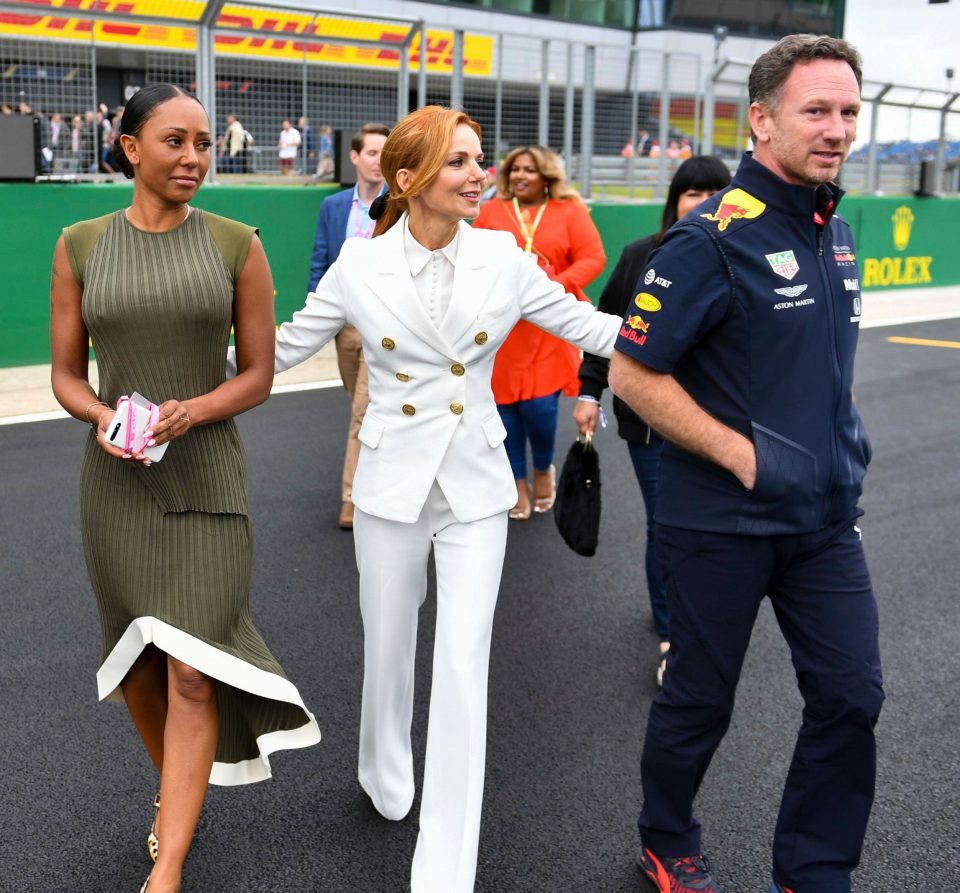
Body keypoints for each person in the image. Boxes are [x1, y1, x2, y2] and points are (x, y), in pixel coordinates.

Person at [237, 105, 620, 893]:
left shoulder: (504, 257)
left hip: (478, 483)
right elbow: (280, 348)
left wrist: (689, 326)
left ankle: (445, 862)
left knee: (462, 660)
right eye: (460, 162)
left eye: (480, 159)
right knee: (387, 643)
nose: (480, 174)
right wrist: (179, 379)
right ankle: (383, 769)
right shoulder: (358, 267)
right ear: (407, 179)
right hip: (391, 482)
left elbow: (590, 324)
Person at [607, 34, 883, 893]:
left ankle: (812, 869)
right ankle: (667, 833)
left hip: (826, 522)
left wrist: (842, 448)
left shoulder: (832, 228)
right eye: (816, 111)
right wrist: (743, 456)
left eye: (847, 110)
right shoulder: (709, 238)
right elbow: (631, 369)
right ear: (761, 120)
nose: (836, 129)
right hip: (720, 521)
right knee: (699, 700)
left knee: (852, 696)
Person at [49, 84, 321, 893]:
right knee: (137, 664)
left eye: (204, 143)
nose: (195, 158)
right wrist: (102, 415)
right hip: (115, 486)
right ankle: (180, 796)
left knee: (195, 668)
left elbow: (261, 376)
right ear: (130, 147)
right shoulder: (80, 243)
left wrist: (190, 412)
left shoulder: (239, 242)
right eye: (175, 141)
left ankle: (169, 861)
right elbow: (66, 374)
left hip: (207, 479)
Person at [574, 155, 731, 689]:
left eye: (715, 191)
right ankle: (671, 634)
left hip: (721, 425)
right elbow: (610, 332)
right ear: (675, 198)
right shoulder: (642, 254)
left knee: (712, 528)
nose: (703, 200)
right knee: (667, 526)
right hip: (650, 427)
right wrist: (589, 392)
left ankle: (692, 613)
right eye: (693, 192)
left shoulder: (744, 255)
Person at [474, 145, 606, 520]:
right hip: (503, 328)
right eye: (514, 169)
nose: (519, 176)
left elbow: (593, 258)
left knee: (539, 407)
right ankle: (516, 483)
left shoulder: (570, 211)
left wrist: (551, 292)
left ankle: (542, 468)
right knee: (504, 409)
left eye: (529, 170)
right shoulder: (489, 212)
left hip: (549, 327)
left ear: (546, 175)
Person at [306, 122, 390, 529]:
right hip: (346, 324)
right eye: (372, 153)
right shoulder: (334, 206)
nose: (379, 162)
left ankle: (353, 499)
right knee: (363, 407)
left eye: (385, 154)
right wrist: (316, 312)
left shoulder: (402, 201)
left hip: (385, 324)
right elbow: (321, 260)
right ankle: (383, 474)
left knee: (363, 410)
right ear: (355, 158)